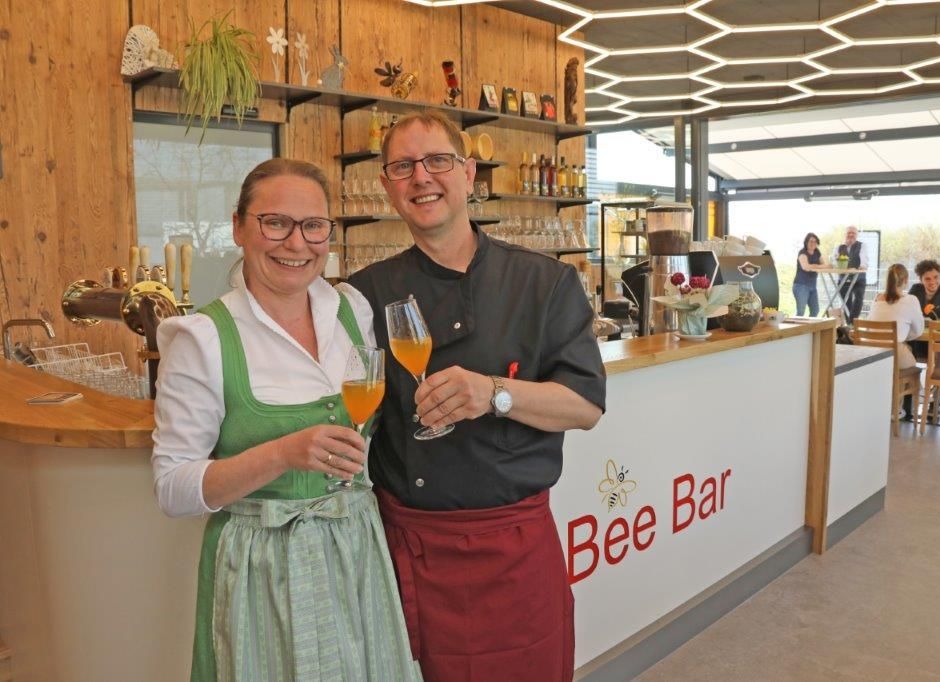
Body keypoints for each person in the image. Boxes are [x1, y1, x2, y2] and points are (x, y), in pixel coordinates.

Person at [347, 110, 606, 682]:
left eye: (438, 161)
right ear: (389, 186)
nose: (422, 177)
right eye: (403, 166)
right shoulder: (365, 294)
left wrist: (493, 394)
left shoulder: (545, 282)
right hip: (410, 549)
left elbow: (585, 405)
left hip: (514, 548)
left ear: (469, 174)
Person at [152, 159, 421, 682]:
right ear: (238, 227)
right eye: (275, 222)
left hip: (357, 546)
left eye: (313, 226)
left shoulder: (352, 310)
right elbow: (172, 488)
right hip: (262, 568)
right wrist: (282, 454)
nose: (296, 244)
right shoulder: (203, 337)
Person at [868, 264, 925, 369]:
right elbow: (918, 331)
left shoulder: (876, 299)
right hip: (895, 354)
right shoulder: (911, 300)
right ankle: (912, 385)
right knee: (913, 362)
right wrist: (902, 335)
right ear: (906, 280)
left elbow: (869, 326)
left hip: (871, 355)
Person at [833, 225, 869, 321]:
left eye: (853, 233)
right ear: (845, 234)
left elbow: (864, 258)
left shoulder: (862, 246)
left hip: (858, 278)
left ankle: (853, 322)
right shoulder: (838, 247)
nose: (851, 235)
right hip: (843, 278)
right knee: (845, 302)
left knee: (858, 298)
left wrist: (862, 266)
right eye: (849, 232)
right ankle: (847, 323)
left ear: (856, 235)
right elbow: (834, 261)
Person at [793, 232, 824, 316]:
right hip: (801, 285)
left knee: (815, 310)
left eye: (815, 242)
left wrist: (814, 266)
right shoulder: (802, 253)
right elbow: (805, 267)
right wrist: (817, 266)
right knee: (801, 312)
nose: (813, 243)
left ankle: (809, 329)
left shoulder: (817, 252)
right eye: (810, 241)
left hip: (812, 286)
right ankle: (796, 329)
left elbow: (824, 265)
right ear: (806, 242)